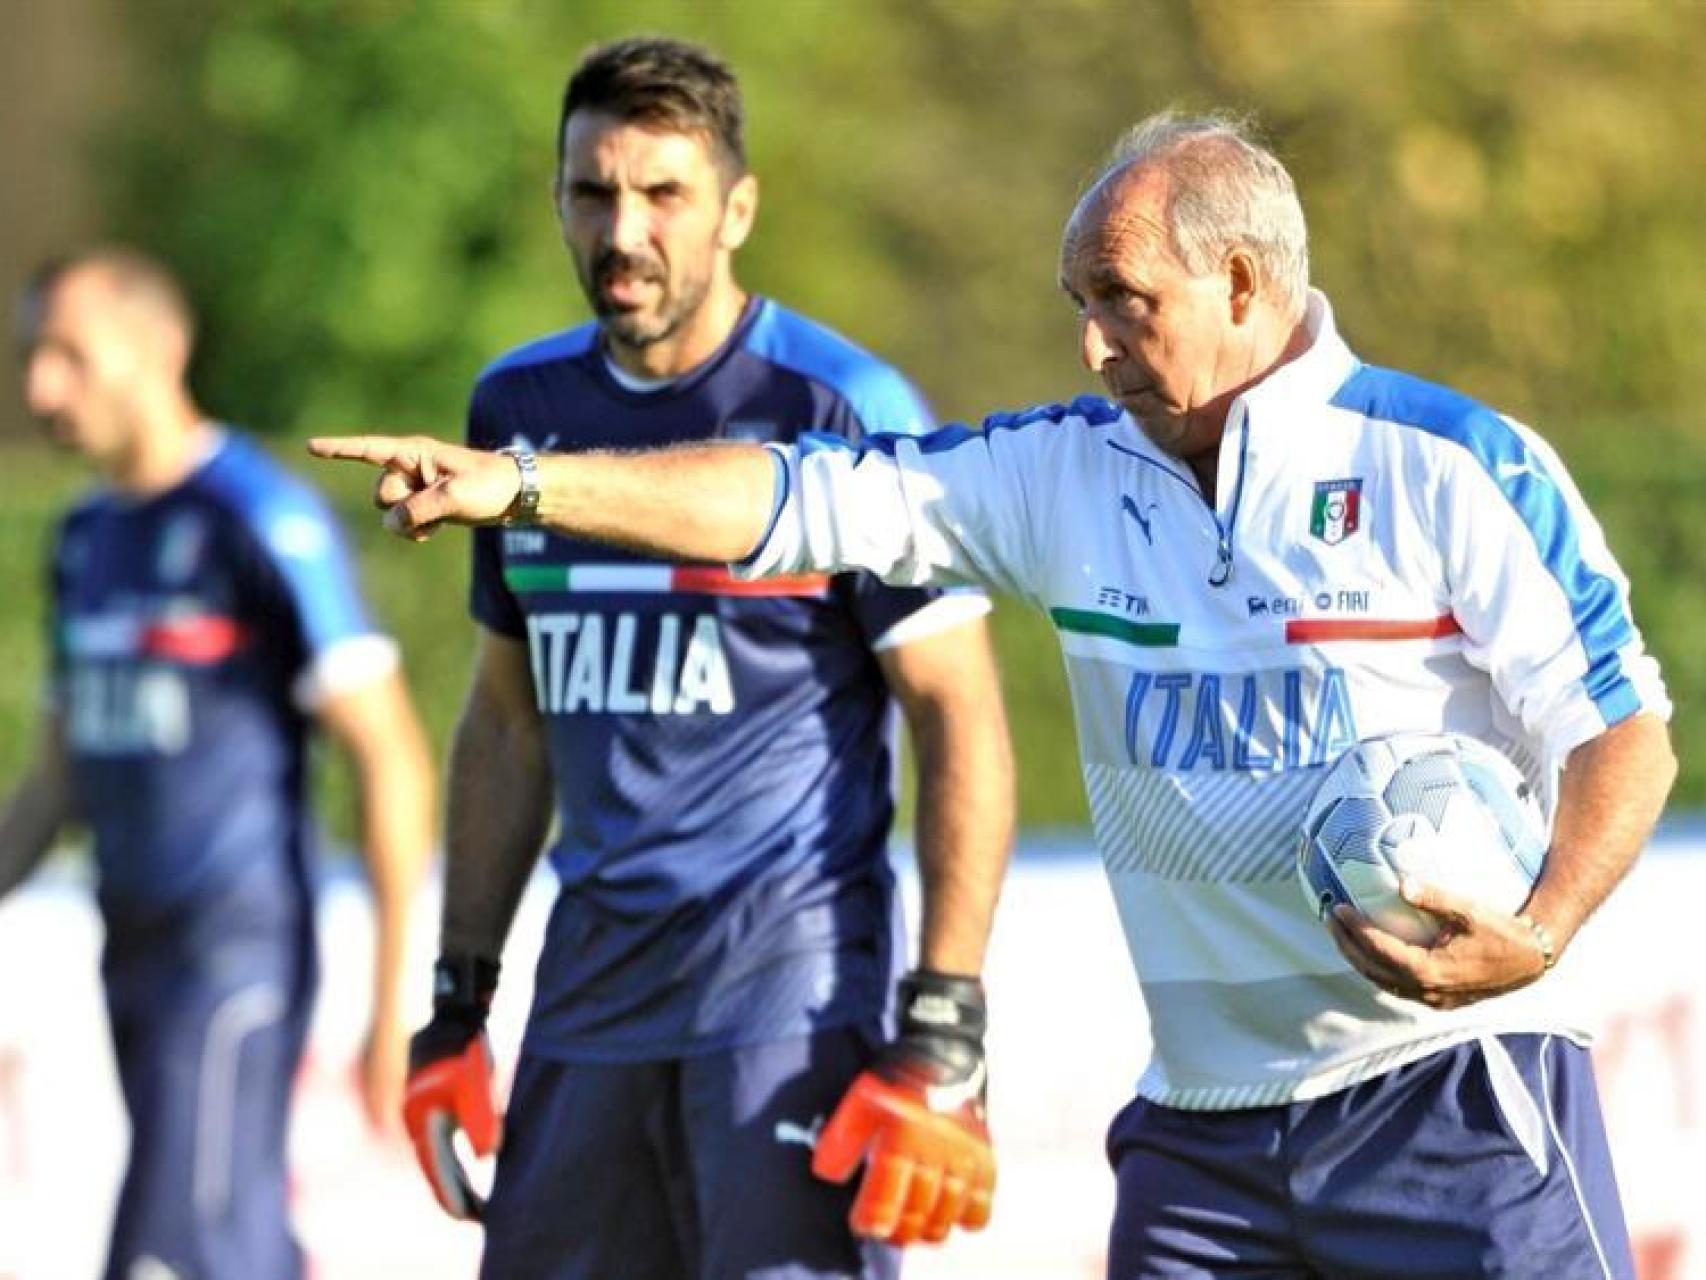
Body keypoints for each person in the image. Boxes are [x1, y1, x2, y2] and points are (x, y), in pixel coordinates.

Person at [314, 109, 1680, 1278]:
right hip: (1202, 1133)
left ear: (1246, 285)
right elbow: (798, 497)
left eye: (1121, 299)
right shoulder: (1067, 471)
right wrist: (533, 485)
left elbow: (1623, 732)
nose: (1089, 346)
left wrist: (1542, 931)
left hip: (1451, 1102)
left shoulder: (1445, 463)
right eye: (1075, 305)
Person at [376, 37, 1015, 1280]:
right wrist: (456, 1003)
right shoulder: (511, 411)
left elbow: (958, 712)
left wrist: (944, 1016)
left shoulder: (840, 407)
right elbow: (506, 723)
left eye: (662, 193)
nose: (624, 230)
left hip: (786, 1002)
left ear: (737, 208)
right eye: (591, 192)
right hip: (586, 1006)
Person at [1, 247, 436, 1280]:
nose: (39, 387)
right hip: (132, 948)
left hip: (234, 955)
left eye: (67, 353)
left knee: (170, 1253)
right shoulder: (85, 536)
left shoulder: (258, 517)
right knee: (227, 1241)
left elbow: (393, 756)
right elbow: (54, 783)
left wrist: (396, 1002)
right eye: (31, 358)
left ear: (159, 349)